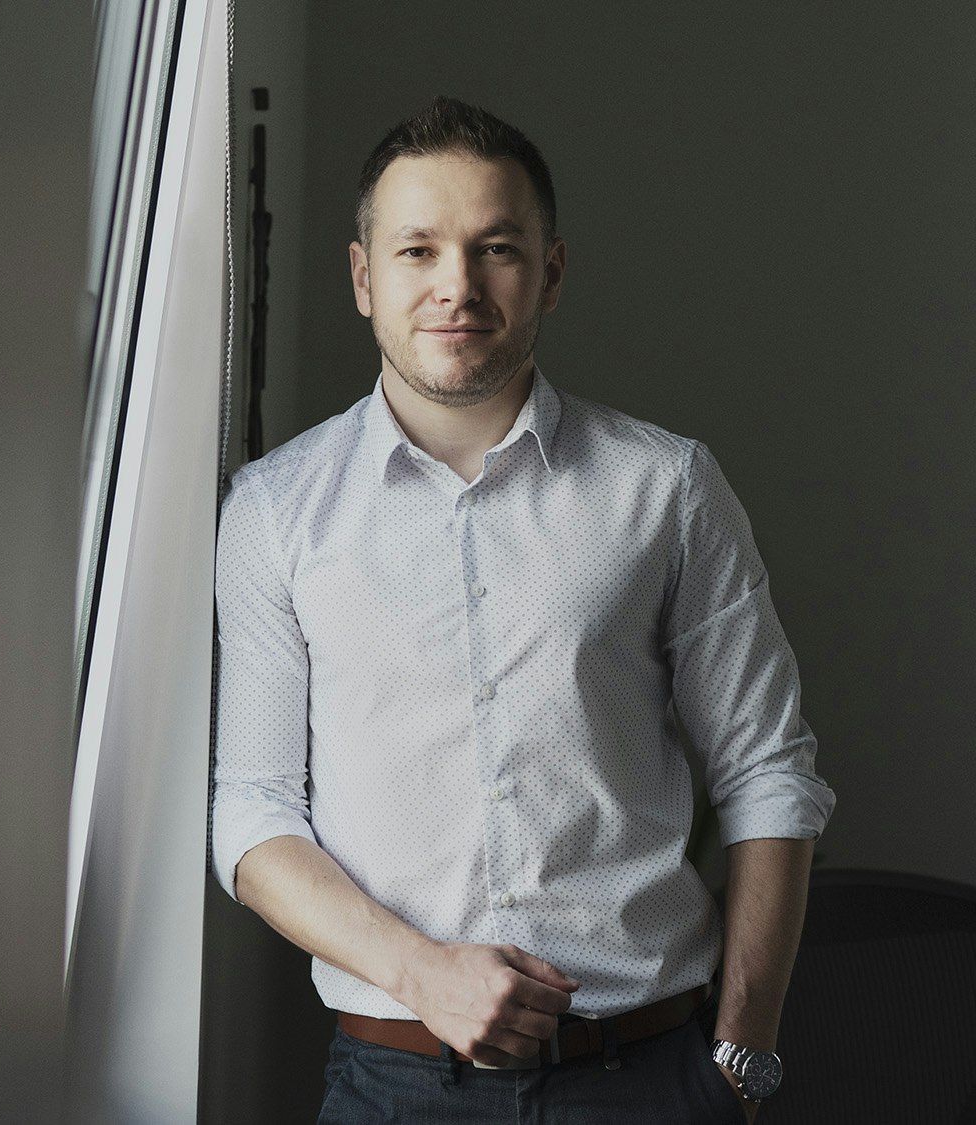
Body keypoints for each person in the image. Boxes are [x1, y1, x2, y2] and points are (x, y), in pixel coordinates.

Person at [210, 96, 835, 1123]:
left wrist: (740, 1061)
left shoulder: (665, 489)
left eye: (493, 247)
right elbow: (252, 813)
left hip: (647, 1079)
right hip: (389, 1084)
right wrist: (420, 973)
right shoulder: (275, 512)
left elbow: (768, 775)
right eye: (416, 250)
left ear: (548, 273)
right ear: (364, 277)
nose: (455, 286)